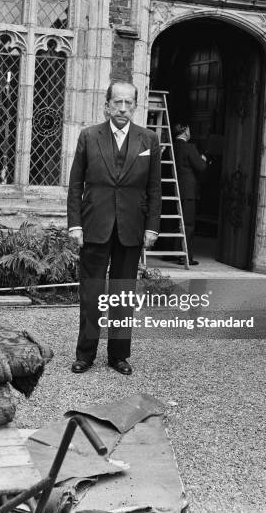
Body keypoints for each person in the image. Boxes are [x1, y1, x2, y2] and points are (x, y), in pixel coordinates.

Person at [67, 81, 162, 375]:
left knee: (123, 295)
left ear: (135, 106)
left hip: (131, 228)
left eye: (128, 103)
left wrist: (152, 228)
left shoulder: (149, 140)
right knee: (92, 293)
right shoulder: (88, 137)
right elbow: (75, 185)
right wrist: (75, 225)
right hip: (95, 226)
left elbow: (155, 189)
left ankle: (118, 355)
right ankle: (85, 354)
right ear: (106, 105)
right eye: (117, 103)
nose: (122, 109)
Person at [172, 123, 207, 266]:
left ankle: (172, 253)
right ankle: (185, 256)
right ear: (186, 131)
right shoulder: (189, 147)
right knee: (188, 224)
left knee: (173, 222)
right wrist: (203, 159)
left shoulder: (172, 146)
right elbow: (201, 167)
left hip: (173, 189)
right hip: (187, 191)